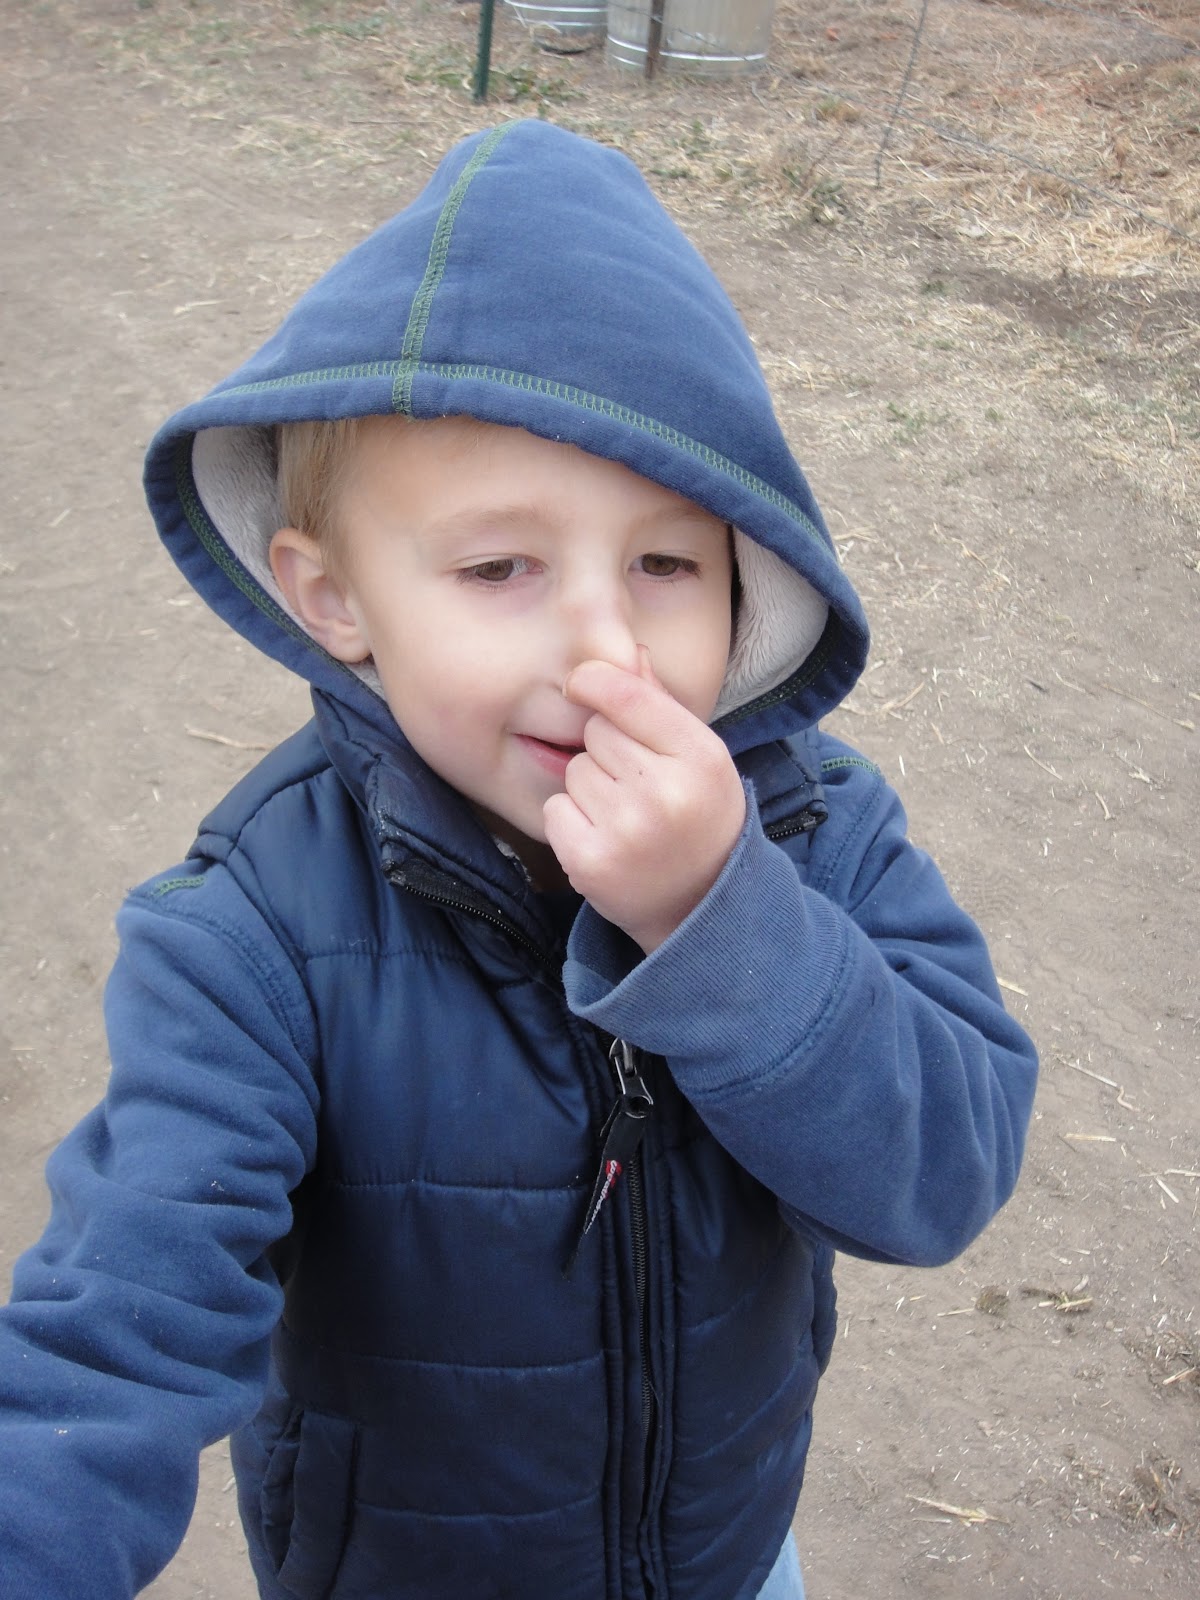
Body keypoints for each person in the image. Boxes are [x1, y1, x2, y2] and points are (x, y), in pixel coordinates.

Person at [0, 119, 1037, 1600]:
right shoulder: (249, 935)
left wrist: (722, 922)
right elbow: (116, 1331)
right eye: (501, 568)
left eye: (666, 564)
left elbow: (944, 1176)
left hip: (730, 1561)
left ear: (749, 579)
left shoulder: (816, 830)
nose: (607, 650)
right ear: (334, 598)